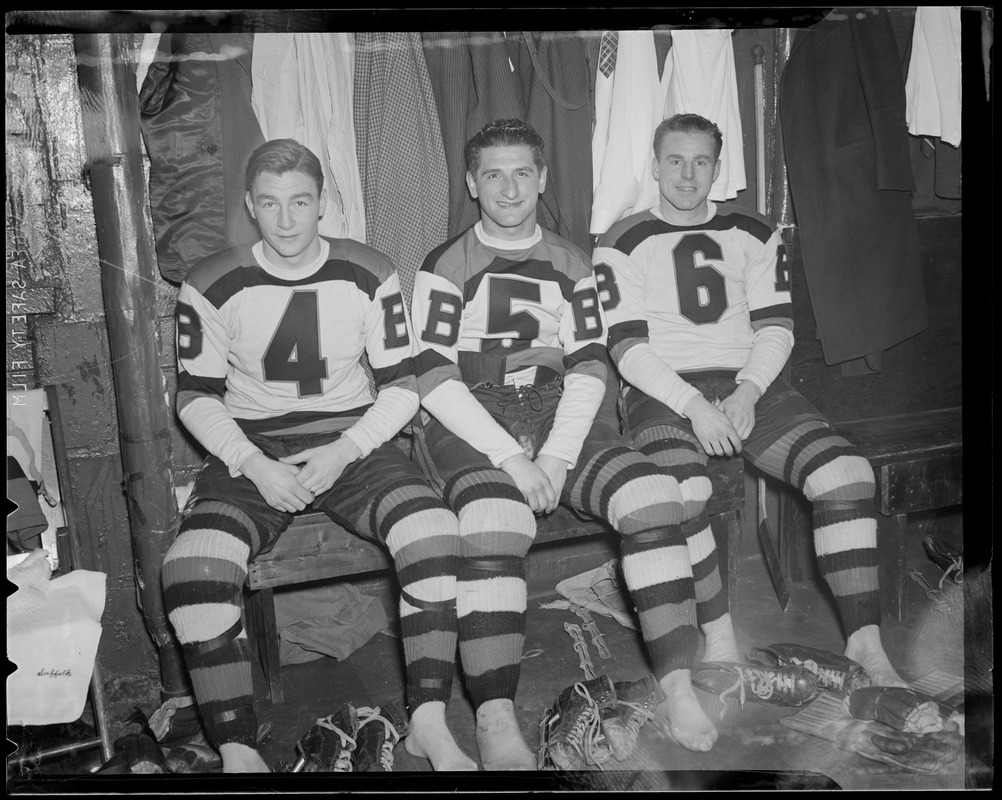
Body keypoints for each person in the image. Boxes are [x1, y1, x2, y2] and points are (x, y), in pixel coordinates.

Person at [410, 118, 741, 765]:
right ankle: (495, 714)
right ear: (473, 184)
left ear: (542, 178)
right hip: (471, 417)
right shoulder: (445, 263)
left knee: (652, 495)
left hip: (559, 410)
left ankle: (675, 683)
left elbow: (590, 364)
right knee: (495, 518)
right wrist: (510, 457)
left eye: (523, 173)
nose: (510, 188)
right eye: (495, 175)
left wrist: (558, 455)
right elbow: (431, 377)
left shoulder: (570, 260)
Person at [163, 138, 476, 772]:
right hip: (254, 446)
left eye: (300, 202)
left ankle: (428, 721)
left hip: (351, 438)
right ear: (251, 205)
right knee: (192, 569)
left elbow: (402, 385)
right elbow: (194, 397)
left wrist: (347, 448)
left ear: (322, 204)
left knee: (436, 534)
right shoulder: (210, 281)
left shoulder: (368, 268)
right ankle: (239, 750)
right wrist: (252, 464)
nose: (286, 220)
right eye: (271, 204)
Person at [593, 113, 908, 696]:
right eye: (675, 161)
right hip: (664, 391)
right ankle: (719, 637)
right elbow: (626, 346)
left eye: (702, 161)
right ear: (655, 164)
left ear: (718, 165)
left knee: (846, 475)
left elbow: (776, 328)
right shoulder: (621, 238)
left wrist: (747, 390)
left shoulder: (756, 229)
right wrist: (695, 405)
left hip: (749, 383)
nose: (688, 175)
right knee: (685, 493)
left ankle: (865, 642)